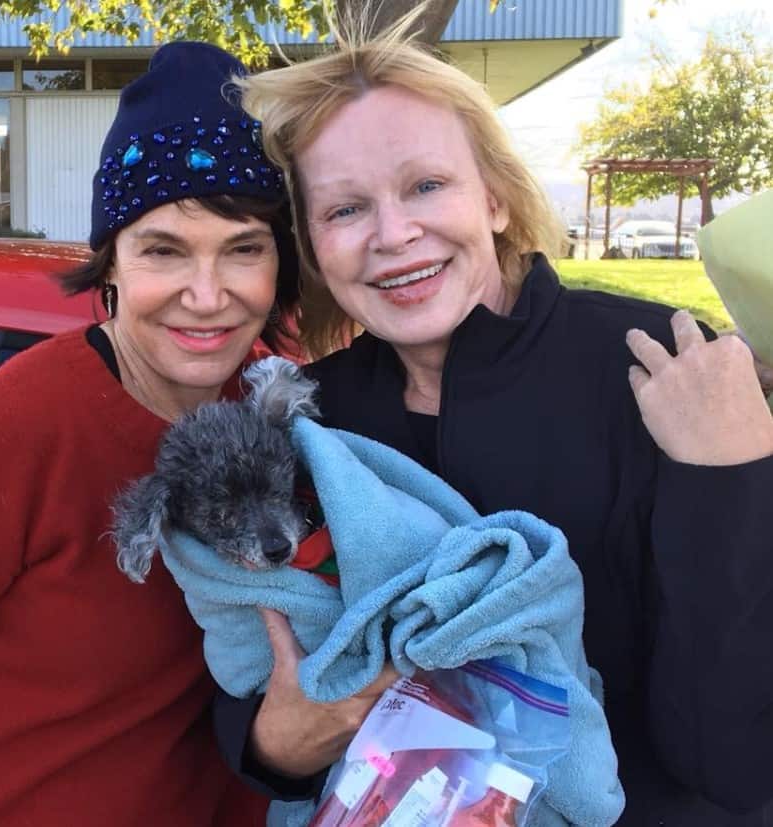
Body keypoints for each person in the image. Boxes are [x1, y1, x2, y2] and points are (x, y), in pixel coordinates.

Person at [214, 19, 773, 826]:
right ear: (312, 243)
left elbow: (732, 759)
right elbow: (248, 658)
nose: (393, 233)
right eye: (344, 207)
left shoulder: (667, 372)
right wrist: (273, 742)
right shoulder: (304, 419)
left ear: (498, 197)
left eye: (426, 185)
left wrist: (729, 477)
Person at [0, 42, 298, 826]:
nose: (205, 296)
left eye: (243, 249)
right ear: (110, 264)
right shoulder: (18, 424)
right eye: (163, 250)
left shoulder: (286, 412)